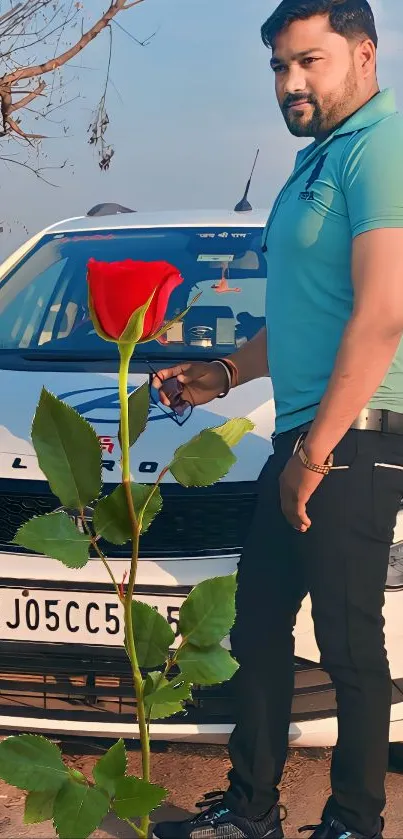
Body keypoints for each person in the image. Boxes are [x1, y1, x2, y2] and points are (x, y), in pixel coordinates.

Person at [152, 2, 403, 837]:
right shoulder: (313, 163)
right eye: (277, 67)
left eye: (309, 61)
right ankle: (251, 807)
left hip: (355, 437)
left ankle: (352, 821)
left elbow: (382, 312)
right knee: (256, 625)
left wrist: (318, 450)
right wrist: (223, 371)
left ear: (363, 54)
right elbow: (300, 316)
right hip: (303, 433)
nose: (290, 82)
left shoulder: (382, 146)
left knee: (346, 643)